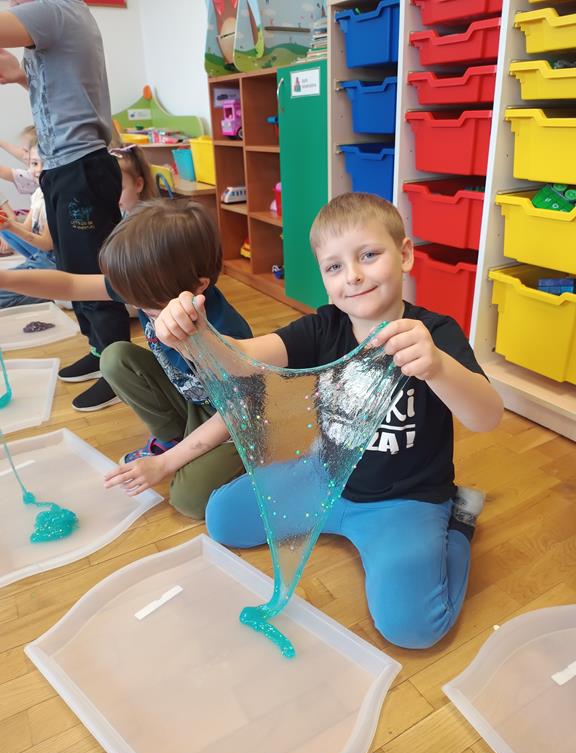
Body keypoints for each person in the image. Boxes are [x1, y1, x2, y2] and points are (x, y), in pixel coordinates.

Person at [154, 192, 504, 649]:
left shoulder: (435, 335)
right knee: (221, 518)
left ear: (405, 255)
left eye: (369, 255)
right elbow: (242, 360)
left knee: (412, 628)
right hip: (324, 478)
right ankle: (344, 519)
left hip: (405, 501)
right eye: (334, 266)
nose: (353, 275)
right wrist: (194, 336)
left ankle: (459, 521)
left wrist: (437, 366)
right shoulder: (323, 327)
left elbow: (487, 416)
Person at [0, 199, 252, 518]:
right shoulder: (148, 285)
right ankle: (172, 438)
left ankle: (254, 470)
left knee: (187, 499)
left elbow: (233, 416)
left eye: (143, 301)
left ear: (198, 286)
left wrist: (165, 465)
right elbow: (70, 284)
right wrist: (5, 280)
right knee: (115, 357)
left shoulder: (227, 334)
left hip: (238, 422)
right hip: (196, 401)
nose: (132, 303)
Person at [0, 0, 131, 411]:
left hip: (80, 166)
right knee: (73, 268)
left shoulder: (54, 9)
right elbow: (63, 93)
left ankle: (120, 369)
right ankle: (100, 350)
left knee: (91, 272)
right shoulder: (54, 17)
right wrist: (21, 76)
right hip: (61, 167)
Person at [0, 142, 56, 307]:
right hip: (41, 256)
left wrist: (10, 225)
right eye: (34, 163)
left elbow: (46, 244)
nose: (38, 169)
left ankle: (54, 293)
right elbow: (26, 227)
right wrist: (7, 225)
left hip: (53, 261)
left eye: (43, 163)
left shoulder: (54, 197)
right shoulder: (39, 193)